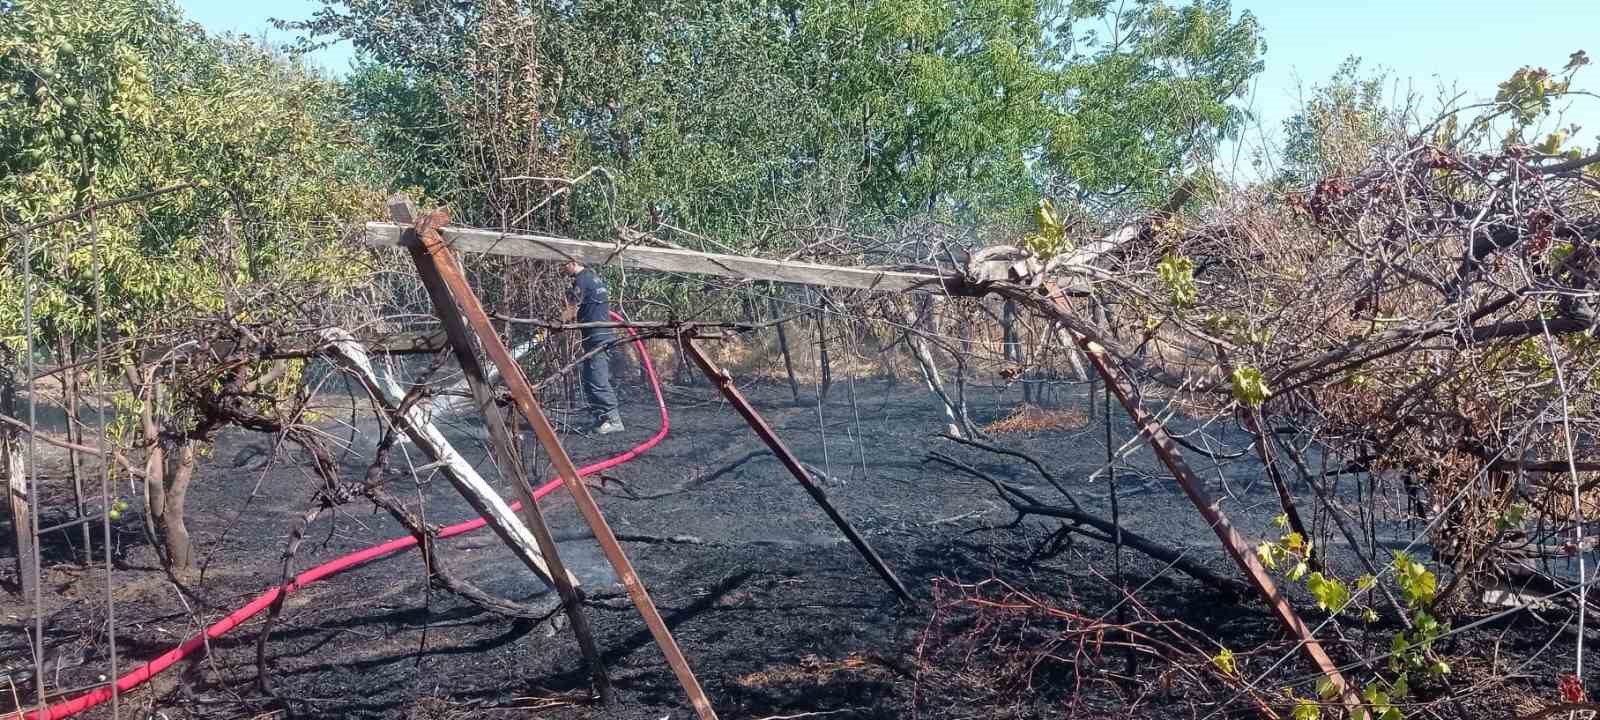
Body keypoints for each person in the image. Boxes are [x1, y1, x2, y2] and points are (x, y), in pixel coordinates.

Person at [561, 259, 624, 434]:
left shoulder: (581, 280)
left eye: (564, 264)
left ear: (573, 262)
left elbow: (572, 309)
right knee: (589, 377)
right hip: (597, 334)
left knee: (597, 378)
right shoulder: (593, 277)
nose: (563, 268)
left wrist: (556, 323)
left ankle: (614, 420)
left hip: (597, 336)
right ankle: (601, 419)